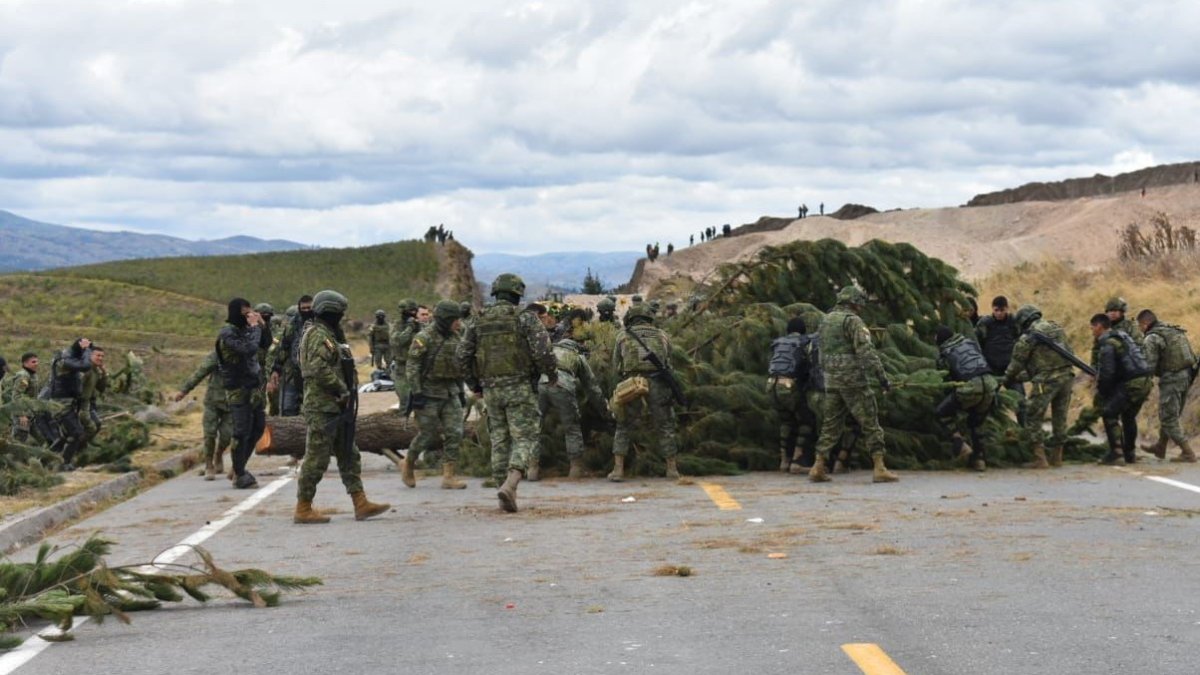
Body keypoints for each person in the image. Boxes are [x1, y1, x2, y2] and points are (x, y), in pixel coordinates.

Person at [456, 273, 556, 512]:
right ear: (517, 294)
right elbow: (543, 351)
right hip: (520, 387)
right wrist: (551, 375)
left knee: (499, 439)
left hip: (491, 389)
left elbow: (461, 356)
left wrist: (475, 385)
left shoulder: (478, 320)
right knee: (525, 437)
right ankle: (511, 484)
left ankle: (502, 492)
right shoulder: (526, 319)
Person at [292, 290, 390, 524]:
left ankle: (360, 503)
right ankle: (303, 507)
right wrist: (341, 388)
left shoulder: (330, 334)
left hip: (336, 406)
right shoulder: (317, 335)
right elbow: (316, 368)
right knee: (316, 458)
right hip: (322, 407)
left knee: (349, 454)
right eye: (339, 313)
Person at [809, 287, 898, 483]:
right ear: (854, 302)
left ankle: (818, 466)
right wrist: (882, 378)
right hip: (853, 380)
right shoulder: (853, 321)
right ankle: (879, 467)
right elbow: (866, 352)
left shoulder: (825, 320)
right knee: (870, 421)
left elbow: (817, 350)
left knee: (830, 424)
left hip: (831, 379)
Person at [608, 303, 681, 481]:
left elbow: (615, 367)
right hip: (657, 382)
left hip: (631, 382)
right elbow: (670, 364)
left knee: (623, 425)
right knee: (665, 425)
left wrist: (616, 390)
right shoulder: (662, 335)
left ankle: (618, 470)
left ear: (630, 318)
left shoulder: (622, 336)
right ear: (649, 317)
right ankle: (672, 469)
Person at [404, 301, 468, 490]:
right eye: (455, 319)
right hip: (428, 392)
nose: (458, 323)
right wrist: (416, 393)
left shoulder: (456, 336)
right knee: (427, 435)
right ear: (446, 320)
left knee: (455, 432)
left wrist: (461, 390)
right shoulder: (424, 337)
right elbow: (412, 366)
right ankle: (408, 464)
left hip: (450, 391)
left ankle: (448, 476)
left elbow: (458, 366)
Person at [1003, 305, 1074, 469]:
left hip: (1046, 381)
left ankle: (1040, 458)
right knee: (1060, 417)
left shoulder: (1028, 338)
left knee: (1033, 415)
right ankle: (1057, 457)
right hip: (1067, 377)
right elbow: (1066, 352)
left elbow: (1016, 364)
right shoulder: (1056, 328)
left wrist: (1005, 379)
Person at [540, 332, 608, 480]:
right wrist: (605, 410)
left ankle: (531, 468)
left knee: (534, 427)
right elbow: (592, 388)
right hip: (562, 386)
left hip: (541, 385)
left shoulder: (550, 350)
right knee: (571, 427)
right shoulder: (578, 356)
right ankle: (575, 469)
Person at [217, 298, 267, 489]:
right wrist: (254, 328)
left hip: (253, 386)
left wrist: (262, 326)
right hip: (237, 388)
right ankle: (239, 472)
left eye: (250, 313)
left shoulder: (247, 330)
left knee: (258, 427)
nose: (248, 317)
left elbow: (264, 344)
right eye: (245, 313)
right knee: (241, 431)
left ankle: (239, 468)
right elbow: (248, 349)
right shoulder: (227, 333)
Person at [1090, 314, 1152, 465]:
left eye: (1092, 327)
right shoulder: (1123, 337)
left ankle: (1116, 453)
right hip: (1145, 381)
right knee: (1128, 416)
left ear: (1099, 326)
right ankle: (1129, 454)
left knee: (1109, 413)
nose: (1092, 331)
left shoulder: (1107, 344)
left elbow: (1107, 373)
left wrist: (1103, 393)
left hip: (1132, 383)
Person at [1138, 309, 1197, 462]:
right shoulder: (1172, 330)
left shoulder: (1152, 338)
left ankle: (1187, 452)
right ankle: (1161, 446)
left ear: (1145, 324)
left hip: (1172, 379)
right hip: (1186, 376)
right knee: (1171, 413)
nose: (1139, 329)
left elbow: (1148, 366)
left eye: (1140, 326)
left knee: (1168, 417)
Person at [935, 327, 997, 471]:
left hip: (970, 387)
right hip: (990, 385)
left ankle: (960, 443)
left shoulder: (945, 353)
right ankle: (979, 460)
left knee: (941, 413)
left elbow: (946, 381)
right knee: (976, 422)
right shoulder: (970, 343)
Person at [175, 349, 234, 480]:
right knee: (209, 433)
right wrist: (184, 391)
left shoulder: (244, 354)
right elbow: (200, 372)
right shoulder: (217, 355)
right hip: (213, 401)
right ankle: (209, 464)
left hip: (231, 403)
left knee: (227, 435)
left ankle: (218, 454)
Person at [769, 317, 817, 472]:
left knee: (786, 421)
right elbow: (808, 366)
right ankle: (798, 461)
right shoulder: (804, 341)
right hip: (789, 385)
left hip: (771, 384)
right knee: (807, 420)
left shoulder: (777, 342)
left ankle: (784, 461)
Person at [975, 296, 1026, 425]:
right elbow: (976, 344)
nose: (999, 313)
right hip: (992, 370)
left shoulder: (1014, 322)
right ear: (992, 309)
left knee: (1020, 401)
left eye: (1001, 310)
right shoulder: (985, 323)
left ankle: (1025, 430)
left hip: (1011, 369)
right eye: (996, 310)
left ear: (1006, 309)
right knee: (987, 402)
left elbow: (1022, 341)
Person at [47, 338, 94, 471]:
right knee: (77, 432)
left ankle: (43, 460)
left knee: (66, 436)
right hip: (60, 404)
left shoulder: (70, 357)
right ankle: (64, 464)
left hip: (66, 402)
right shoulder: (65, 360)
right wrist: (87, 349)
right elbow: (85, 366)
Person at [272, 294, 314, 417]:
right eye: (304, 308)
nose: (306, 311)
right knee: (287, 409)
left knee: (312, 409)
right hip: (293, 372)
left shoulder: (321, 323)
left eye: (309, 308)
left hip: (314, 372)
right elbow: (284, 347)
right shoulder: (293, 324)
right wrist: (276, 369)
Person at [389, 299, 421, 414]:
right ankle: (403, 416)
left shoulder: (418, 325)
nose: (413, 313)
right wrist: (409, 329)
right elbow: (397, 341)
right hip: (402, 365)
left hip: (416, 365)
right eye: (410, 311)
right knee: (404, 396)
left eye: (414, 311)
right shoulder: (397, 325)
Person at [2, 352, 40, 444]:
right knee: (18, 442)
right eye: (33, 362)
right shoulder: (23, 376)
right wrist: (21, 415)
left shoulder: (33, 375)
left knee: (41, 439)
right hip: (23, 415)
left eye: (37, 361)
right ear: (25, 364)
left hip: (31, 414)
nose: (36, 364)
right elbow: (17, 395)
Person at [78, 346, 108, 449]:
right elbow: (77, 387)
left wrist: (104, 374)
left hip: (88, 403)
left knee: (97, 424)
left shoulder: (96, 371)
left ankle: (84, 445)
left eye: (102, 356)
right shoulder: (85, 370)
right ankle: (78, 448)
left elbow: (101, 389)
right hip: (79, 404)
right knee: (89, 428)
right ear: (90, 356)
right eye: (98, 355)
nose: (100, 358)